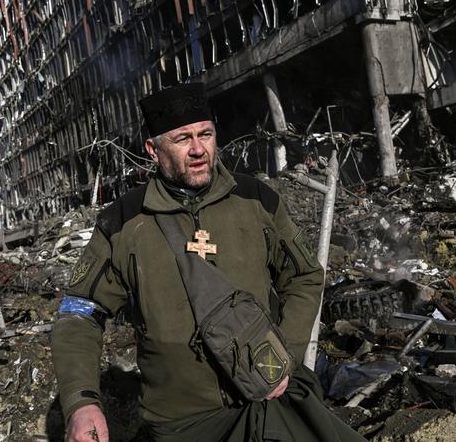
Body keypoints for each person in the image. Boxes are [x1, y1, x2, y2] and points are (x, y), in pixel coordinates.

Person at [52, 82, 366, 441]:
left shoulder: (257, 200)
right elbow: (80, 313)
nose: (199, 149)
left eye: (206, 134)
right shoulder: (121, 222)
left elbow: (305, 276)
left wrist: (284, 358)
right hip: (182, 424)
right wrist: (81, 402)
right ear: (154, 150)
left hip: (266, 398)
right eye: (183, 139)